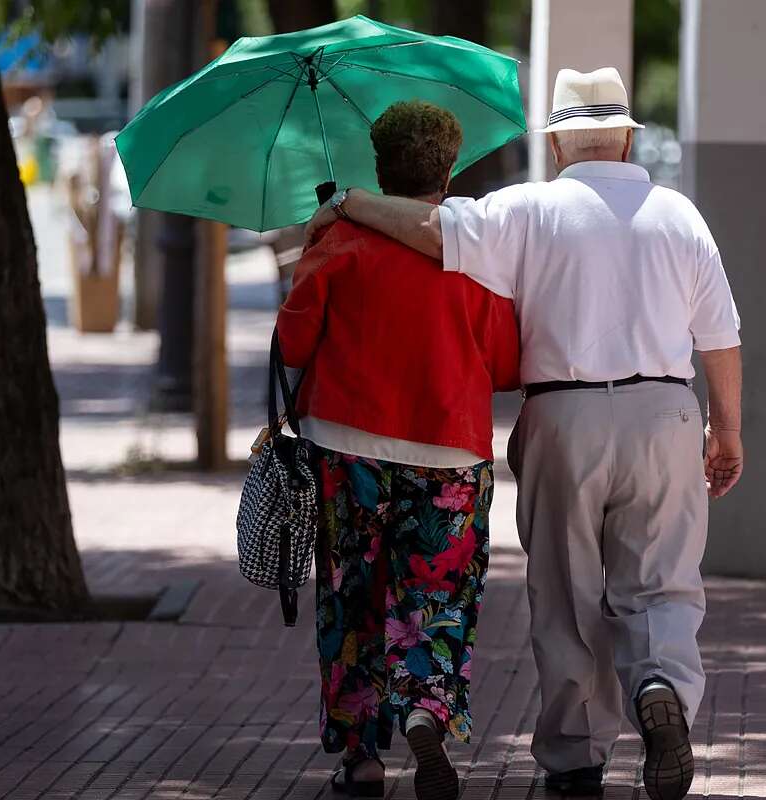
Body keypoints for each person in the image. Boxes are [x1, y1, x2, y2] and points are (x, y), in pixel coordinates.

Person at [306, 68, 744, 800]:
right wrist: (724, 430)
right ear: (629, 137)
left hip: (564, 415)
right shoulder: (680, 215)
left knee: (567, 593)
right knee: (662, 582)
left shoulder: (529, 209)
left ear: (557, 145)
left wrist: (347, 202)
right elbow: (721, 337)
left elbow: (428, 227)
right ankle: (660, 688)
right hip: (666, 412)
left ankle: (575, 757)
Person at [277, 101, 521, 800]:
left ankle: (360, 758)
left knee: (352, 600)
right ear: (448, 169)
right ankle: (424, 708)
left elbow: (293, 345)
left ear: (378, 168)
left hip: (346, 449)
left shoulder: (338, 243)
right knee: (439, 594)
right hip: (448, 453)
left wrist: (313, 245)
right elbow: (504, 364)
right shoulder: (475, 255)